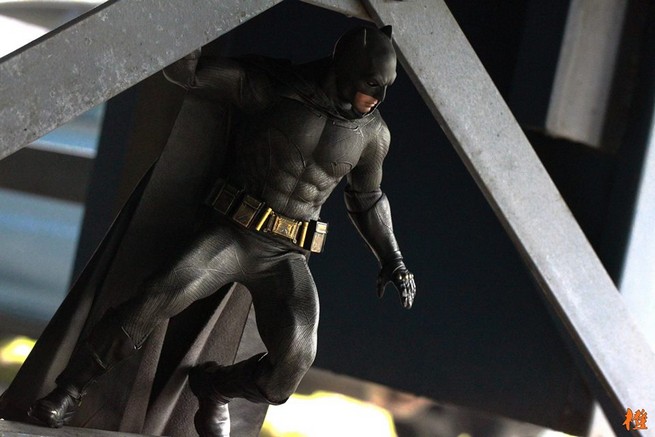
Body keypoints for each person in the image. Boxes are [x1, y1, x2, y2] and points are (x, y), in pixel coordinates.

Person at [27, 25, 416, 437]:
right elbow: (189, 72)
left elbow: (367, 198)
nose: (378, 98)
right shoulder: (275, 88)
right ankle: (69, 391)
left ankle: (214, 387)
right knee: (155, 296)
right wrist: (177, 28)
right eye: (371, 85)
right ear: (345, 71)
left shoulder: (373, 134)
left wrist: (392, 258)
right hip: (231, 237)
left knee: (293, 364)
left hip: (285, 256)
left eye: (385, 87)